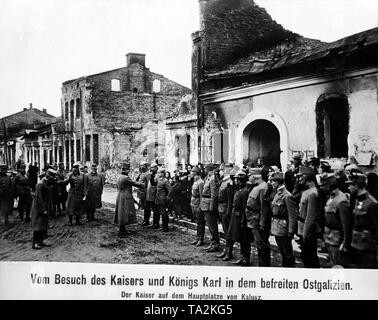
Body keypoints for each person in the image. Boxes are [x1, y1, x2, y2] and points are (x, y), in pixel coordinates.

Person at [318, 173, 351, 267]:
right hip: (329, 235)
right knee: (332, 263)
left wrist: (345, 243)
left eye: (323, 185)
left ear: (329, 186)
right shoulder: (331, 196)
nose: (321, 188)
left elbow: (346, 224)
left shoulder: (341, 200)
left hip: (337, 239)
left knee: (338, 265)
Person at [346, 172, 378, 268]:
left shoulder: (372, 204)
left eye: (350, 185)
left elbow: (376, 228)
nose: (349, 187)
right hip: (357, 244)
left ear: (356, 185)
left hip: (367, 247)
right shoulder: (358, 199)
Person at [270, 172, 297, 267]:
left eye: (272, 181)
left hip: (283, 227)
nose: (271, 183)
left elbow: (292, 214)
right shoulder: (277, 193)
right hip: (277, 226)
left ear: (278, 182)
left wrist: (291, 230)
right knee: (282, 251)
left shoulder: (287, 195)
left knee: (287, 252)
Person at [297, 166, 322, 268]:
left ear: (307, 176)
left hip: (309, 232)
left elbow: (310, 217)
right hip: (303, 230)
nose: (299, 179)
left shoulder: (312, 193)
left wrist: (305, 234)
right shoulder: (307, 192)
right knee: (306, 257)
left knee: (310, 259)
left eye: (301, 176)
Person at [246, 168, 272, 267]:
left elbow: (264, 208)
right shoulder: (257, 186)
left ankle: (264, 265)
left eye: (250, 175)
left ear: (256, 176)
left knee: (262, 244)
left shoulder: (263, 188)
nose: (249, 177)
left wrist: (262, 223)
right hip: (253, 219)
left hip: (258, 221)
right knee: (259, 244)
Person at [229, 170, 253, 266]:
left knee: (245, 240)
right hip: (236, 216)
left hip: (241, 218)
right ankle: (242, 257)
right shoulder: (239, 190)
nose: (235, 181)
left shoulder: (245, 192)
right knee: (241, 239)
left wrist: (243, 221)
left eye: (237, 180)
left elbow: (244, 208)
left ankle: (246, 258)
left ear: (241, 181)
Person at [114, 162, 145, 237]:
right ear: (126, 170)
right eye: (128, 169)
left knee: (121, 213)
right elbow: (134, 183)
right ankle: (122, 230)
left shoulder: (119, 176)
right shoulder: (126, 178)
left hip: (120, 195)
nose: (129, 171)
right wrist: (143, 185)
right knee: (124, 213)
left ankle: (123, 229)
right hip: (125, 197)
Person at [31, 169, 57, 249]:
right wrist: (43, 210)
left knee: (43, 224)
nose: (53, 179)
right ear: (48, 176)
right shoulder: (40, 184)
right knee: (37, 226)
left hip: (44, 206)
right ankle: (35, 243)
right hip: (38, 207)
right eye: (52, 178)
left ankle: (41, 241)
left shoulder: (46, 183)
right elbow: (39, 198)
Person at [200, 163, 220, 252]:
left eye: (205, 168)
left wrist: (212, 206)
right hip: (205, 204)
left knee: (212, 226)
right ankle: (213, 242)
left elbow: (213, 194)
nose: (204, 170)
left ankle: (215, 244)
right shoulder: (208, 177)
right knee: (210, 225)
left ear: (208, 169)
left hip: (209, 205)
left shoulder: (212, 178)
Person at [216, 163, 234, 260]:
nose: (219, 172)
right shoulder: (223, 181)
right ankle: (226, 250)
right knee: (225, 230)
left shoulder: (229, 182)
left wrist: (228, 211)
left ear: (226, 170)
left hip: (226, 209)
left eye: (221, 170)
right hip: (221, 208)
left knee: (228, 232)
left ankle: (229, 252)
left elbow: (230, 199)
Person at [190, 165, 205, 246]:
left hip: (198, 204)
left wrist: (200, 206)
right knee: (197, 222)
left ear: (196, 173)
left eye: (192, 171)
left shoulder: (200, 182)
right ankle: (197, 237)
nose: (191, 173)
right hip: (193, 203)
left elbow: (201, 195)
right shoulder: (195, 181)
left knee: (200, 222)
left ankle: (201, 239)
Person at [154, 167, 172, 232]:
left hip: (163, 199)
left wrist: (167, 197)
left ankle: (165, 227)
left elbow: (170, 190)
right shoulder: (158, 180)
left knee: (164, 214)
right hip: (158, 199)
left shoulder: (165, 181)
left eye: (159, 172)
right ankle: (163, 226)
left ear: (162, 173)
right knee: (160, 213)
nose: (158, 174)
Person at [143, 163, 158, 227]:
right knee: (146, 208)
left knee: (155, 210)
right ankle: (146, 221)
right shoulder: (150, 175)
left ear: (156, 168)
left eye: (153, 167)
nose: (152, 169)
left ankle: (155, 223)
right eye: (151, 167)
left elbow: (155, 184)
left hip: (154, 195)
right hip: (148, 195)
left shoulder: (157, 175)